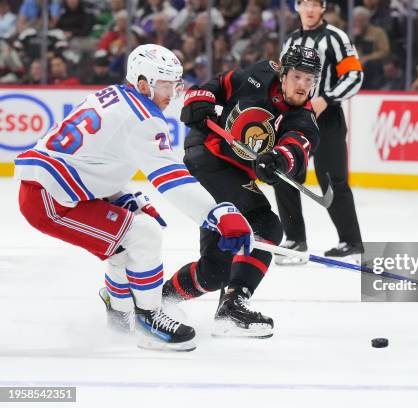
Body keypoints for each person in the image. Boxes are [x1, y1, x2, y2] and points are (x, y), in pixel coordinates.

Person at [13, 44, 253, 352]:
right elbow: (171, 178)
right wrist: (218, 213)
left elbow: (98, 158)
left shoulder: (112, 95)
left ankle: (119, 311)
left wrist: (122, 195)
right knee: (144, 235)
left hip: (54, 187)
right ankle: (149, 319)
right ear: (143, 84)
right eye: (166, 84)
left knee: (128, 240)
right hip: (50, 198)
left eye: (176, 83)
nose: (173, 91)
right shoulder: (144, 118)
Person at [161, 45, 322, 338]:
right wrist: (198, 102)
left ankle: (157, 302)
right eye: (298, 76)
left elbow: (296, 149)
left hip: (232, 174)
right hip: (206, 155)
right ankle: (233, 306)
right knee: (265, 224)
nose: (302, 85)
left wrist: (278, 160)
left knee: (215, 271)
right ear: (284, 74)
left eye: (309, 80)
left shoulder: (304, 119)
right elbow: (215, 86)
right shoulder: (259, 74)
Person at [274, 0, 364, 265]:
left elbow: (354, 76)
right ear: (297, 6)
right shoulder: (290, 41)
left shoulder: (336, 38)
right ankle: (295, 241)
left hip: (327, 118)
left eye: (316, 4)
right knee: (285, 174)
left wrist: (326, 98)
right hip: (295, 118)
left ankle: (351, 242)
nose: (311, 9)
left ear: (323, 8)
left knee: (333, 180)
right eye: (306, 3)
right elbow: (281, 76)